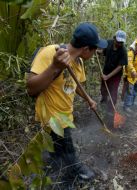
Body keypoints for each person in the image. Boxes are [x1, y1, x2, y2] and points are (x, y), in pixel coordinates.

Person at [26, 23, 107, 182]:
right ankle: (73, 174)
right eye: (95, 49)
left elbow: (76, 85)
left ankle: (54, 170)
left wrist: (88, 99)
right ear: (85, 49)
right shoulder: (50, 53)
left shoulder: (79, 62)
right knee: (68, 151)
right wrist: (55, 67)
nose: (96, 52)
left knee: (58, 151)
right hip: (52, 118)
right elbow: (30, 87)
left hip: (66, 116)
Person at [100, 30, 128, 127]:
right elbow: (102, 52)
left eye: (121, 42)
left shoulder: (123, 51)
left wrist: (108, 76)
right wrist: (96, 51)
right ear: (114, 38)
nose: (120, 43)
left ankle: (111, 109)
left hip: (115, 75)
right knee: (103, 89)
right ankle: (103, 100)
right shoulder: (108, 43)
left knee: (113, 92)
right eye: (118, 41)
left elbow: (120, 66)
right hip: (106, 71)